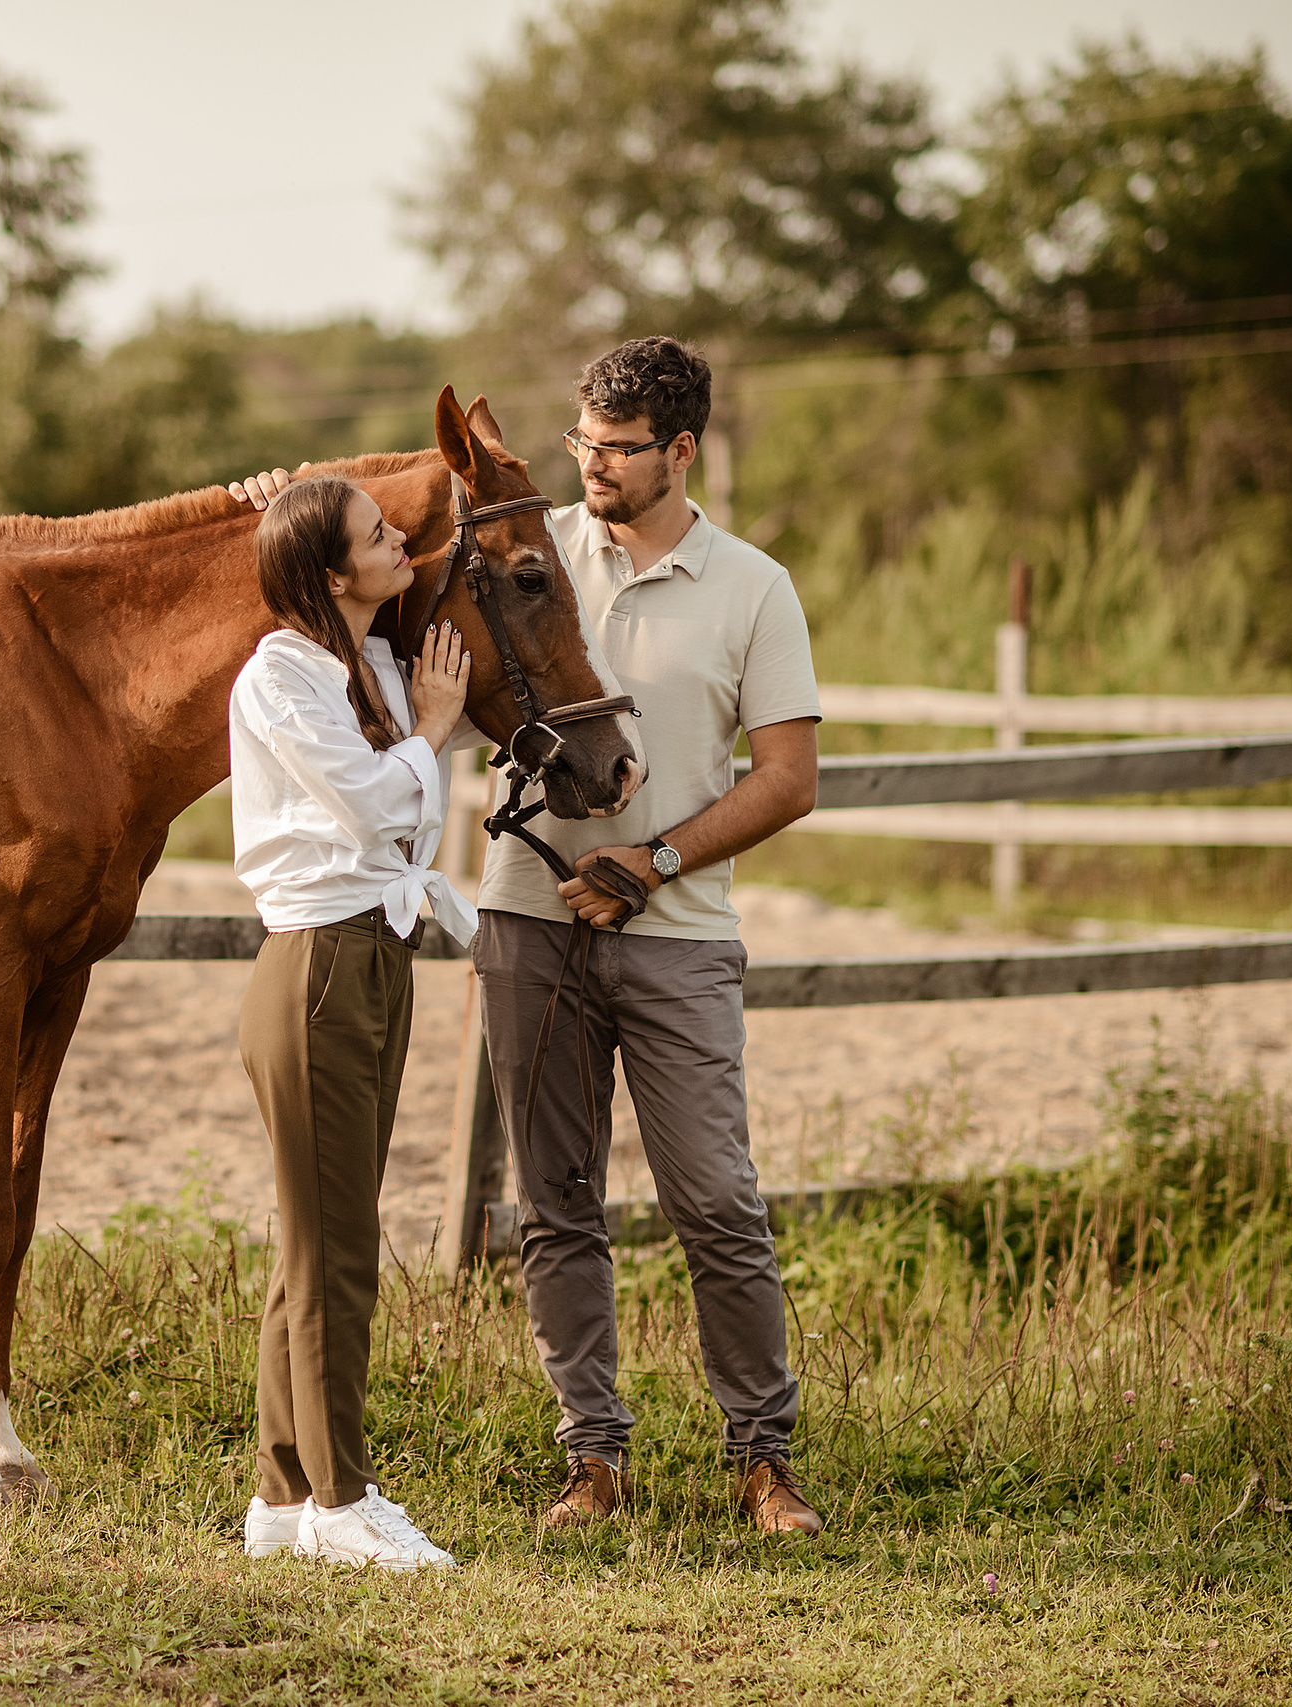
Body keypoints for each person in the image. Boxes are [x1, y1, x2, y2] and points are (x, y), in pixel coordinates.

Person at [230, 336, 825, 1540]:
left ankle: (762, 1460)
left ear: (679, 451)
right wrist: (268, 509)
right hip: (525, 919)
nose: (592, 467)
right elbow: (350, 568)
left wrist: (651, 862)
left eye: (615, 450)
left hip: (677, 930)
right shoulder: (522, 546)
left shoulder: (753, 588)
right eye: (581, 445)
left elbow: (791, 780)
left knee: (714, 1201)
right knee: (553, 1204)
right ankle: (591, 1460)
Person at [228, 474, 479, 1571]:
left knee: (314, 1242)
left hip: (381, 954)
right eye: (378, 537)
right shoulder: (281, 675)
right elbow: (378, 803)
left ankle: (283, 1500)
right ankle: (343, 1498)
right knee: (336, 1251)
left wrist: (423, 724)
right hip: (318, 964)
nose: (400, 543)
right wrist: (428, 730)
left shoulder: (375, 661)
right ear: (332, 576)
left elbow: (415, 786)